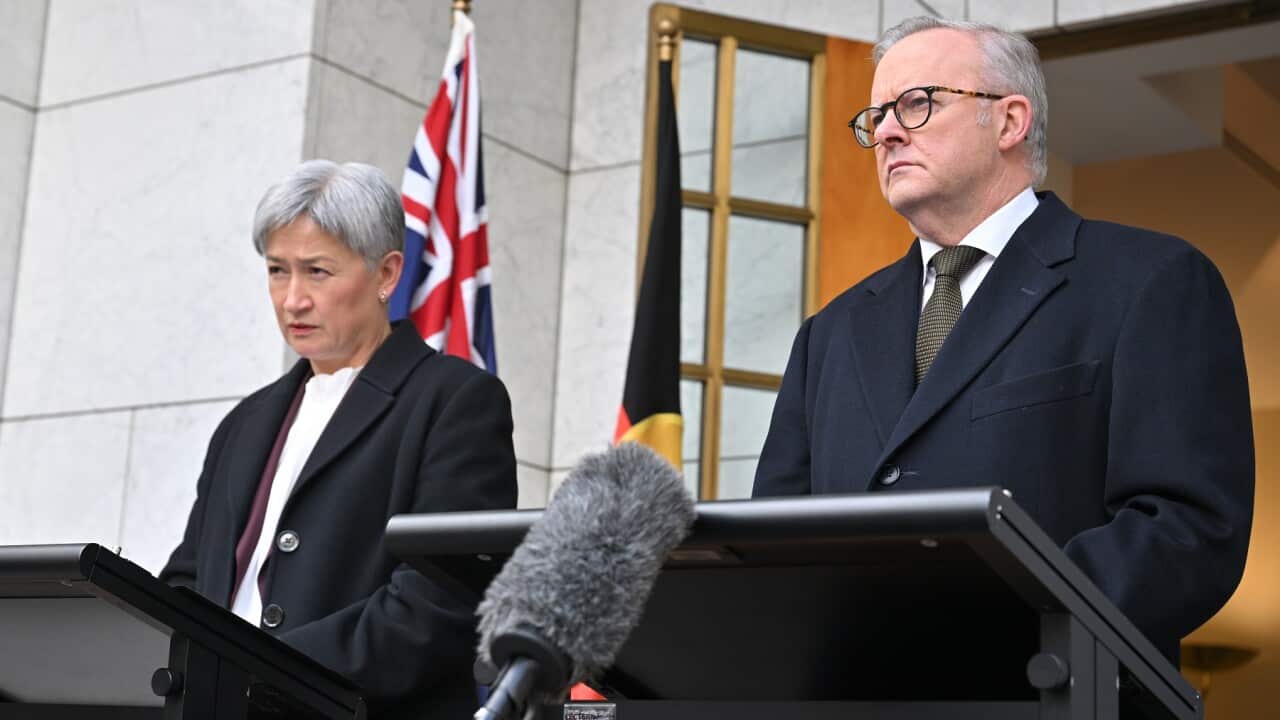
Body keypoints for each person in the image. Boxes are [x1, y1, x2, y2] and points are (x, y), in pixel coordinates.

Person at [752, 16, 1253, 664]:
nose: (886, 132)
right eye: (875, 116)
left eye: (917, 103)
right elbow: (775, 551)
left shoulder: (1150, 283)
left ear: (1011, 121)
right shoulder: (829, 335)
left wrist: (993, 622)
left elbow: (1187, 529)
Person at [161, 159, 517, 718]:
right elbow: (189, 579)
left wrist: (253, 668)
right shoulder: (244, 423)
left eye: (317, 272)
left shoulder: (456, 401)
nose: (292, 300)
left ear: (387, 275)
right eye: (278, 271)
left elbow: (439, 607)